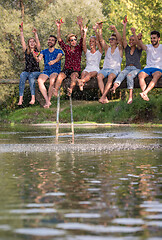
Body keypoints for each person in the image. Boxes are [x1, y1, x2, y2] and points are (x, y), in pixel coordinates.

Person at [111, 21, 143, 104]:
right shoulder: (127, 49)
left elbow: (138, 42)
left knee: (129, 76)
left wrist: (134, 33)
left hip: (136, 69)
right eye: (130, 40)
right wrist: (124, 26)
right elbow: (124, 38)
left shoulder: (139, 48)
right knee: (121, 74)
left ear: (136, 41)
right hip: (127, 68)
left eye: (133, 40)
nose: (131, 41)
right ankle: (114, 87)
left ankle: (130, 97)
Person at [54, 16, 84, 97]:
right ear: (69, 42)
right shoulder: (66, 48)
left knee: (74, 76)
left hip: (75, 69)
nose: (74, 41)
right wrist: (58, 27)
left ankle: (70, 90)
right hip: (67, 69)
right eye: (72, 40)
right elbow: (59, 39)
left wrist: (80, 25)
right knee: (60, 76)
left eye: (75, 39)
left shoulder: (79, 48)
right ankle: (55, 91)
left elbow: (82, 37)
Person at [97, 23, 123, 104]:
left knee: (111, 77)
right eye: (110, 39)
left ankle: (103, 97)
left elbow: (121, 40)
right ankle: (104, 97)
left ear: (116, 41)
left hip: (115, 70)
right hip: (105, 69)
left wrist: (115, 29)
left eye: (113, 39)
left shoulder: (120, 49)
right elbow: (101, 40)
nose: (110, 40)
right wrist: (100, 29)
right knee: (99, 76)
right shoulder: (107, 48)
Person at [35, 35, 64, 108]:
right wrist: (37, 58)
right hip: (46, 71)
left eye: (52, 40)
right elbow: (40, 58)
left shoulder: (59, 51)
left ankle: (48, 101)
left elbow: (59, 57)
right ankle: (47, 101)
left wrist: (54, 61)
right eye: (49, 40)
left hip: (55, 70)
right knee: (39, 81)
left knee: (52, 81)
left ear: (55, 42)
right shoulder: (44, 51)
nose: (50, 41)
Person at [18, 23, 41, 105]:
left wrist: (35, 34)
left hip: (36, 72)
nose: (31, 43)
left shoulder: (37, 51)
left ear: (35, 43)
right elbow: (22, 42)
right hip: (27, 71)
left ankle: (33, 98)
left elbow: (38, 43)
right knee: (22, 76)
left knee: (31, 77)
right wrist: (21, 32)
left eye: (33, 42)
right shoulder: (26, 51)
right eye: (30, 42)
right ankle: (21, 99)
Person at [137, 30, 162, 101]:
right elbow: (142, 46)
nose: (152, 40)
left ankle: (145, 92)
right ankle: (145, 94)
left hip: (158, 68)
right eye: (151, 38)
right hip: (148, 68)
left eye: (154, 38)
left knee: (157, 75)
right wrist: (139, 39)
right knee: (140, 75)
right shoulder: (149, 47)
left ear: (158, 39)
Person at [77, 24, 103, 91]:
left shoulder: (99, 52)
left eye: (93, 41)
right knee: (83, 73)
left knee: (90, 74)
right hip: (87, 68)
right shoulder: (87, 52)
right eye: (90, 41)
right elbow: (84, 44)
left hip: (95, 69)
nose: (91, 43)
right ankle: (81, 85)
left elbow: (98, 41)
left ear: (95, 43)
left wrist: (96, 31)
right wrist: (85, 32)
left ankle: (81, 81)